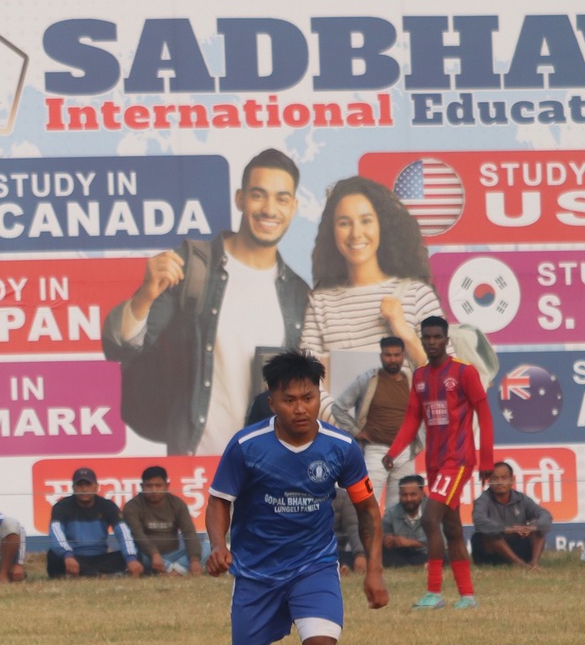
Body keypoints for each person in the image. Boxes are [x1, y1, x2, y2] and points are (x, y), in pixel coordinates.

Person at [208, 350, 387, 645]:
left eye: (308, 397)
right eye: (290, 399)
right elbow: (219, 501)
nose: (300, 407)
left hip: (314, 567)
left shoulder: (341, 447)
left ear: (318, 396)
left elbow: (367, 510)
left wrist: (374, 570)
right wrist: (218, 545)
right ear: (272, 402)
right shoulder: (247, 446)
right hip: (256, 573)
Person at [103, 149, 309, 456]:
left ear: (293, 207)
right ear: (240, 199)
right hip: (197, 462)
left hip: (268, 469)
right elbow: (123, 345)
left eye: (281, 199)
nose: (269, 209)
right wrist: (146, 293)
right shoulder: (194, 264)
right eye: (258, 195)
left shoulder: (298, 294)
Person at [384, 317, 495, 610]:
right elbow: (412, 418)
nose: (432, 342)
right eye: (427, 337)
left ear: (447, 340)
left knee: (429, 519)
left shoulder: (463, 372)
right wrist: (394, 452)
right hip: (434, 462)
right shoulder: (420, 376)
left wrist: (487, 459)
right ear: (421, 340)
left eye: (437, 337)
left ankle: (434, 592)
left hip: (457, 461)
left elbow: (483, 413)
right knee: (452, 527)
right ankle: (468, 596)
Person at [300, 178, 441, 366]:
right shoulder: (320, 304)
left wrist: (404, 332)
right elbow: (305, 382)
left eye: (366, 221)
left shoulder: (417, 295)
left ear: (381, 225)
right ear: (332, 231)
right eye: (344, 223)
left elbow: (446, 380)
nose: (356, 233)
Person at [327, 335, 420, 503]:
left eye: (397, 355)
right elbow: (338, 407)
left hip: (405, 452)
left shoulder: (411, 381)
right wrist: (357, 432)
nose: (392, 359)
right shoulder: (368, 380)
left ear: (403, 356)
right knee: (369, 504)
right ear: (381, 356)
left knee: (402, 508)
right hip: (376, 450)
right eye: (388, 355)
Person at [47, 467, 136, 577]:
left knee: (136, 555)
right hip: (74, 557)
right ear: (73, 488)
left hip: (101, 557)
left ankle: (87, 574)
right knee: (53, 556)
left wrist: (131, 558)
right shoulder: (61, 507)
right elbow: (56, 533)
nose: (84, 489)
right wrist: (68, 555)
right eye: (80, 485)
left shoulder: (107, 506)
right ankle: (101, 574)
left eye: (88, 485)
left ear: (96, 487)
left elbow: (123, 533)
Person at [120, 467, 203, 576]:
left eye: (158, 486)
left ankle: (172, 571)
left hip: (174, 555)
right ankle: (179, 569)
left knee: (206, 546)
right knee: (137, 556)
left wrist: (194, 560)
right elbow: (137, 535)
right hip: (147, 556)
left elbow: (189, 532)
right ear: (142, 486)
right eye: (149, 486)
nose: (154, 490)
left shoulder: (177, 504)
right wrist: (154, 554)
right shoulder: (132, 506)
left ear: (167, 486)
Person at [472, 462, 553, 569]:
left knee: (538, 531)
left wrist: (531, 527)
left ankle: (534, 564)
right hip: (492, 552)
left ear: (512, 480)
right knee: (488, 534)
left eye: (504, 478)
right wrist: (506, 529)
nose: (500, 482)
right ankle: (520, 565)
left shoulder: (521, 498)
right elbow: (479, 520)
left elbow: (545, 515)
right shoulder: (482, 500)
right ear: (489, 481)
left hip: (518, 546)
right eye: (495, 479)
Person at [379, 476, 431, 569]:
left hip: (428, 553)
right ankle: (418, 566)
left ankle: (412, 565)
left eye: (413, 494)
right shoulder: (392, 512)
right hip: (404, 555)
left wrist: (411, 542)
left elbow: (442, 542)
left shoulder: (432, 510)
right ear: (399, 495)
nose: (408, 499)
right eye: (404, 495)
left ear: (422, 494)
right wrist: (387, 539)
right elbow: (382, 534)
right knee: (382, 554)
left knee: (444, 556)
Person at [332, 488, 366, 575]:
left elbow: (353, 528)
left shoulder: (342, 496)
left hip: (337, 551)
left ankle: (342, 566)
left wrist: (360, 554)